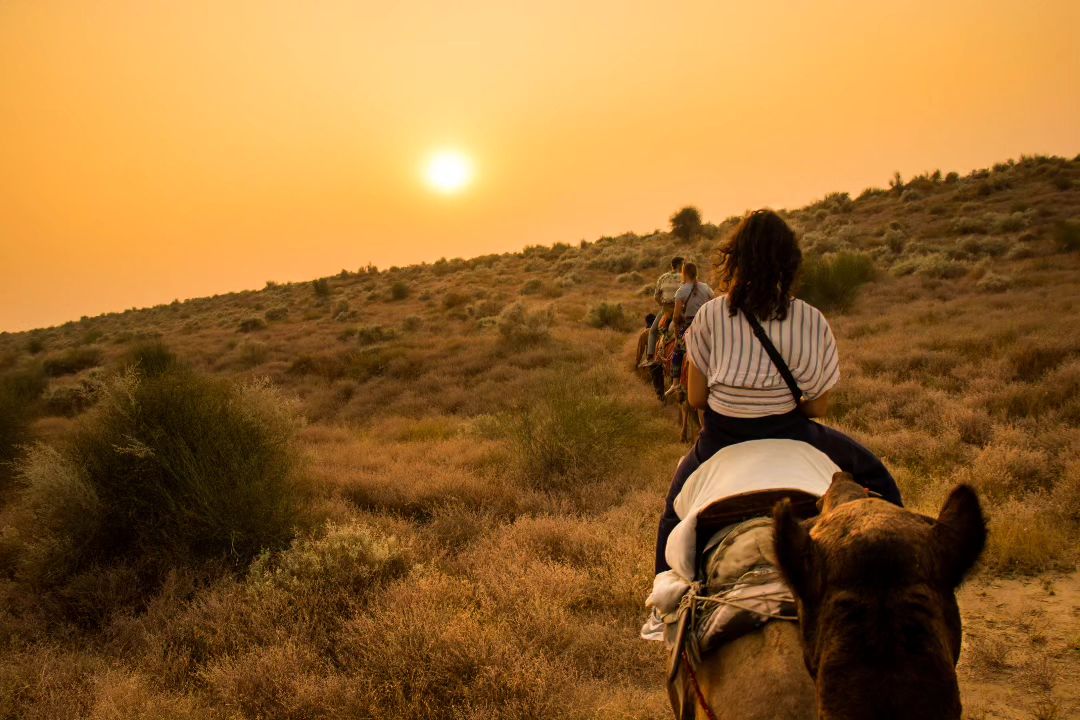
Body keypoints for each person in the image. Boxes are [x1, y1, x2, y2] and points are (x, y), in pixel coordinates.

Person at [653, 209, 902, 575]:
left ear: (734, 260)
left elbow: (696, 400)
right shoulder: (811, 319)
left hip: (722, 438)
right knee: (879, 479)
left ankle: (662, 603)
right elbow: (817, 407)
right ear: (789, 261)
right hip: (792, 431)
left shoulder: (709, 316)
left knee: (672, 516)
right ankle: (897, 571)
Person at [664, 262, 713, 398]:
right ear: (696, 273)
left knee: (678, 350)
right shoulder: (706, 288)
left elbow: (676, 316)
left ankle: (675, 382)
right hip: (707, 324)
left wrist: (676, 329)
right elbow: (713, 302)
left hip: (690, 325)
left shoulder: (681, 290)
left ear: (684, 274)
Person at [641, 256, 684, 366]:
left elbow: (656, 296)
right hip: (682, 310)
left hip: (666, 309)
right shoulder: (685, 277)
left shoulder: (663, 278)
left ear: (672, 266)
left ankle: (650, 358)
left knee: (653, 331)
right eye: (683, 264)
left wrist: (663, 305)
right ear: (680, 265)